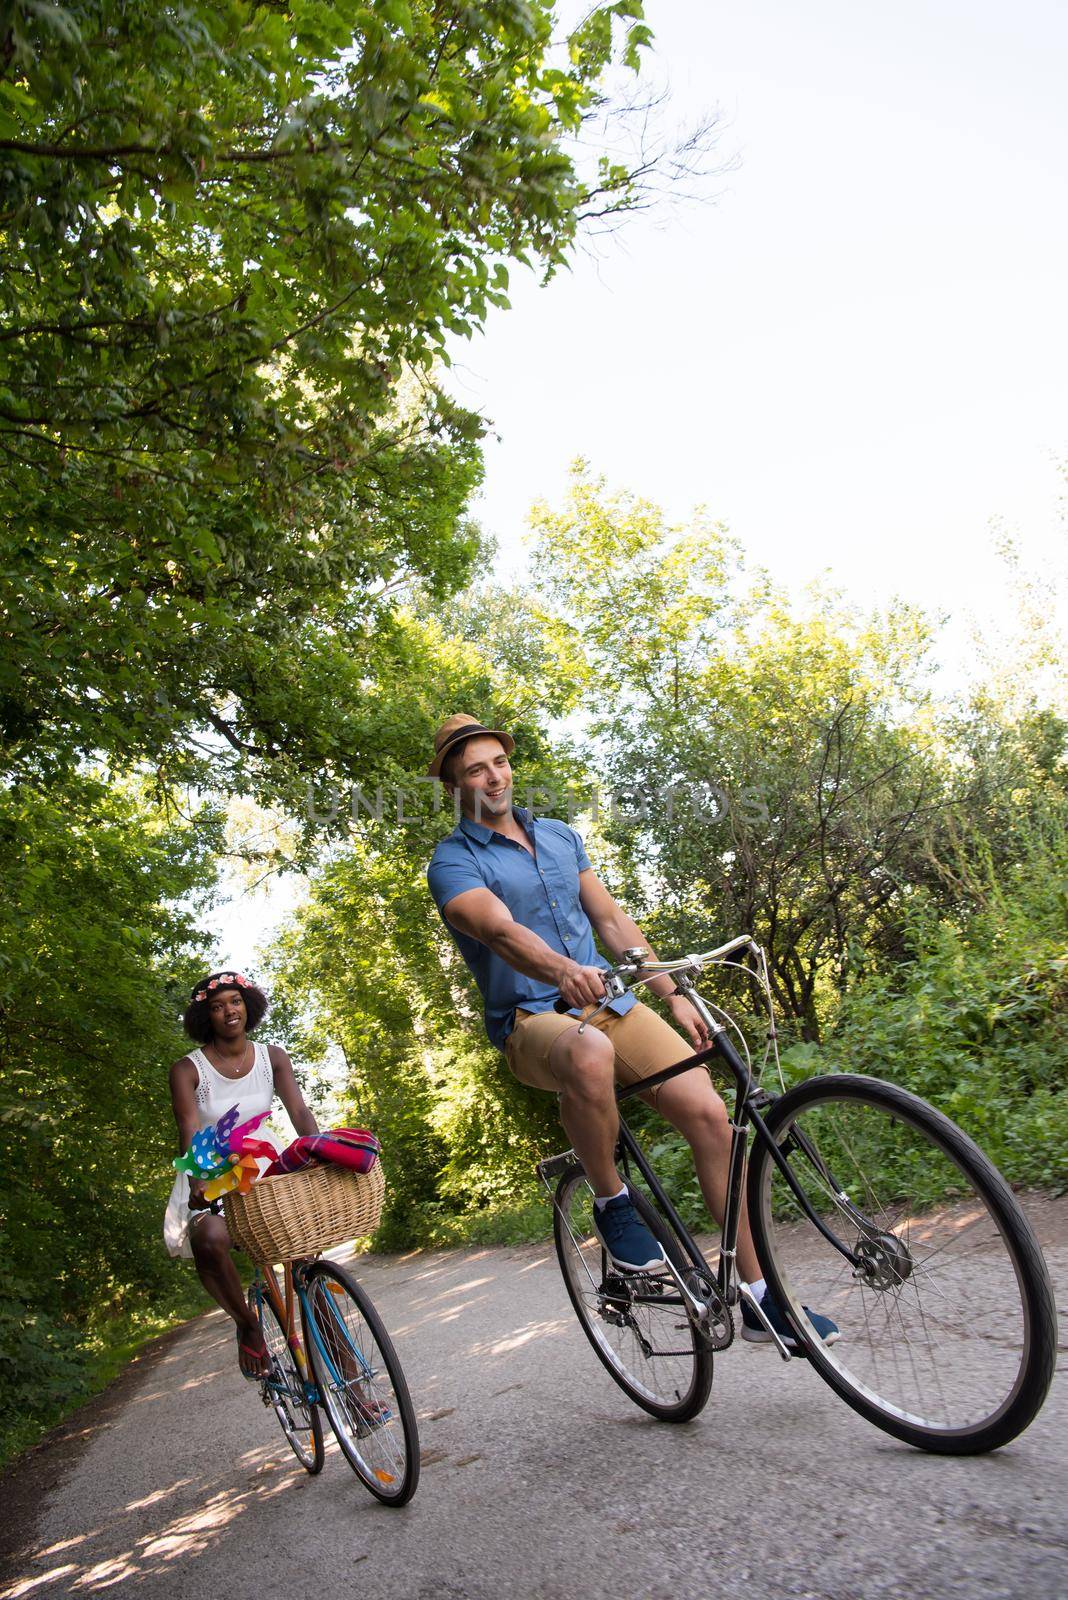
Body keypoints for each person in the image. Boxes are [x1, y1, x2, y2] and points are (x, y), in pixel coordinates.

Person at [425, 715, 838, 1351]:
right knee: (587, 1051)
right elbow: (499, 931)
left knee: (712, 1119)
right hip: (533, 1019)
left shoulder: (559, 837)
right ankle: (612, 1203)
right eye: (475, 769)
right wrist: (564, 971)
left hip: (613, 1002)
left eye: (498, 762)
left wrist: (673, 995)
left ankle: (759, 1298)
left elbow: (611, 920)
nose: (493, 776)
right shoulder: (453, 861)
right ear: (455, 785)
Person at [164, 970, 320, 1376]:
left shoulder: (273, 1057)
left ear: (248, 1005)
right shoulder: (187, 1069)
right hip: (209, 1169)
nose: (228, 1011)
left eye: (235, 1001)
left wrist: (319, 1151)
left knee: (308, 1267)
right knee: (211, 1238)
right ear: (206, 1017)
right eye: (217, 1006)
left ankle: (350, 1384)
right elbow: (189, 1129)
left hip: (265, 1167)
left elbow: (299, 1111)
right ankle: (248, 1326)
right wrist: (198, 1182)